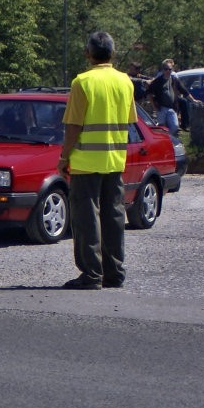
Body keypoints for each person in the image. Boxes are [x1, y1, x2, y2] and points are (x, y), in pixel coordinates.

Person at [58, 31, 137, 290]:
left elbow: (73, 126)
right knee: (114, 216)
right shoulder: (125, 81)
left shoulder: (82, 82)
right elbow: (129, 121)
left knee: (86, 217)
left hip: (86, 161)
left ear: (87, 54)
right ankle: (114, 273)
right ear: (113, 53)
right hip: (115, 160)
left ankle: (92, 274)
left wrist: (64, 157)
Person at [147, 59, 200, 136]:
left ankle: (167, 138)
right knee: (162, 126)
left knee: (175, 126)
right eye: (166, 69)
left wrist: (193, 100)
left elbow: (184, 91)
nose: (168, 71)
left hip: (172, 108)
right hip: (161, 108)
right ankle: (162, 141)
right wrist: (154, 106)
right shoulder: (157, 81)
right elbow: (149, 93)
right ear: (163, 70)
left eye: (170, 69)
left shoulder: (175, 80)